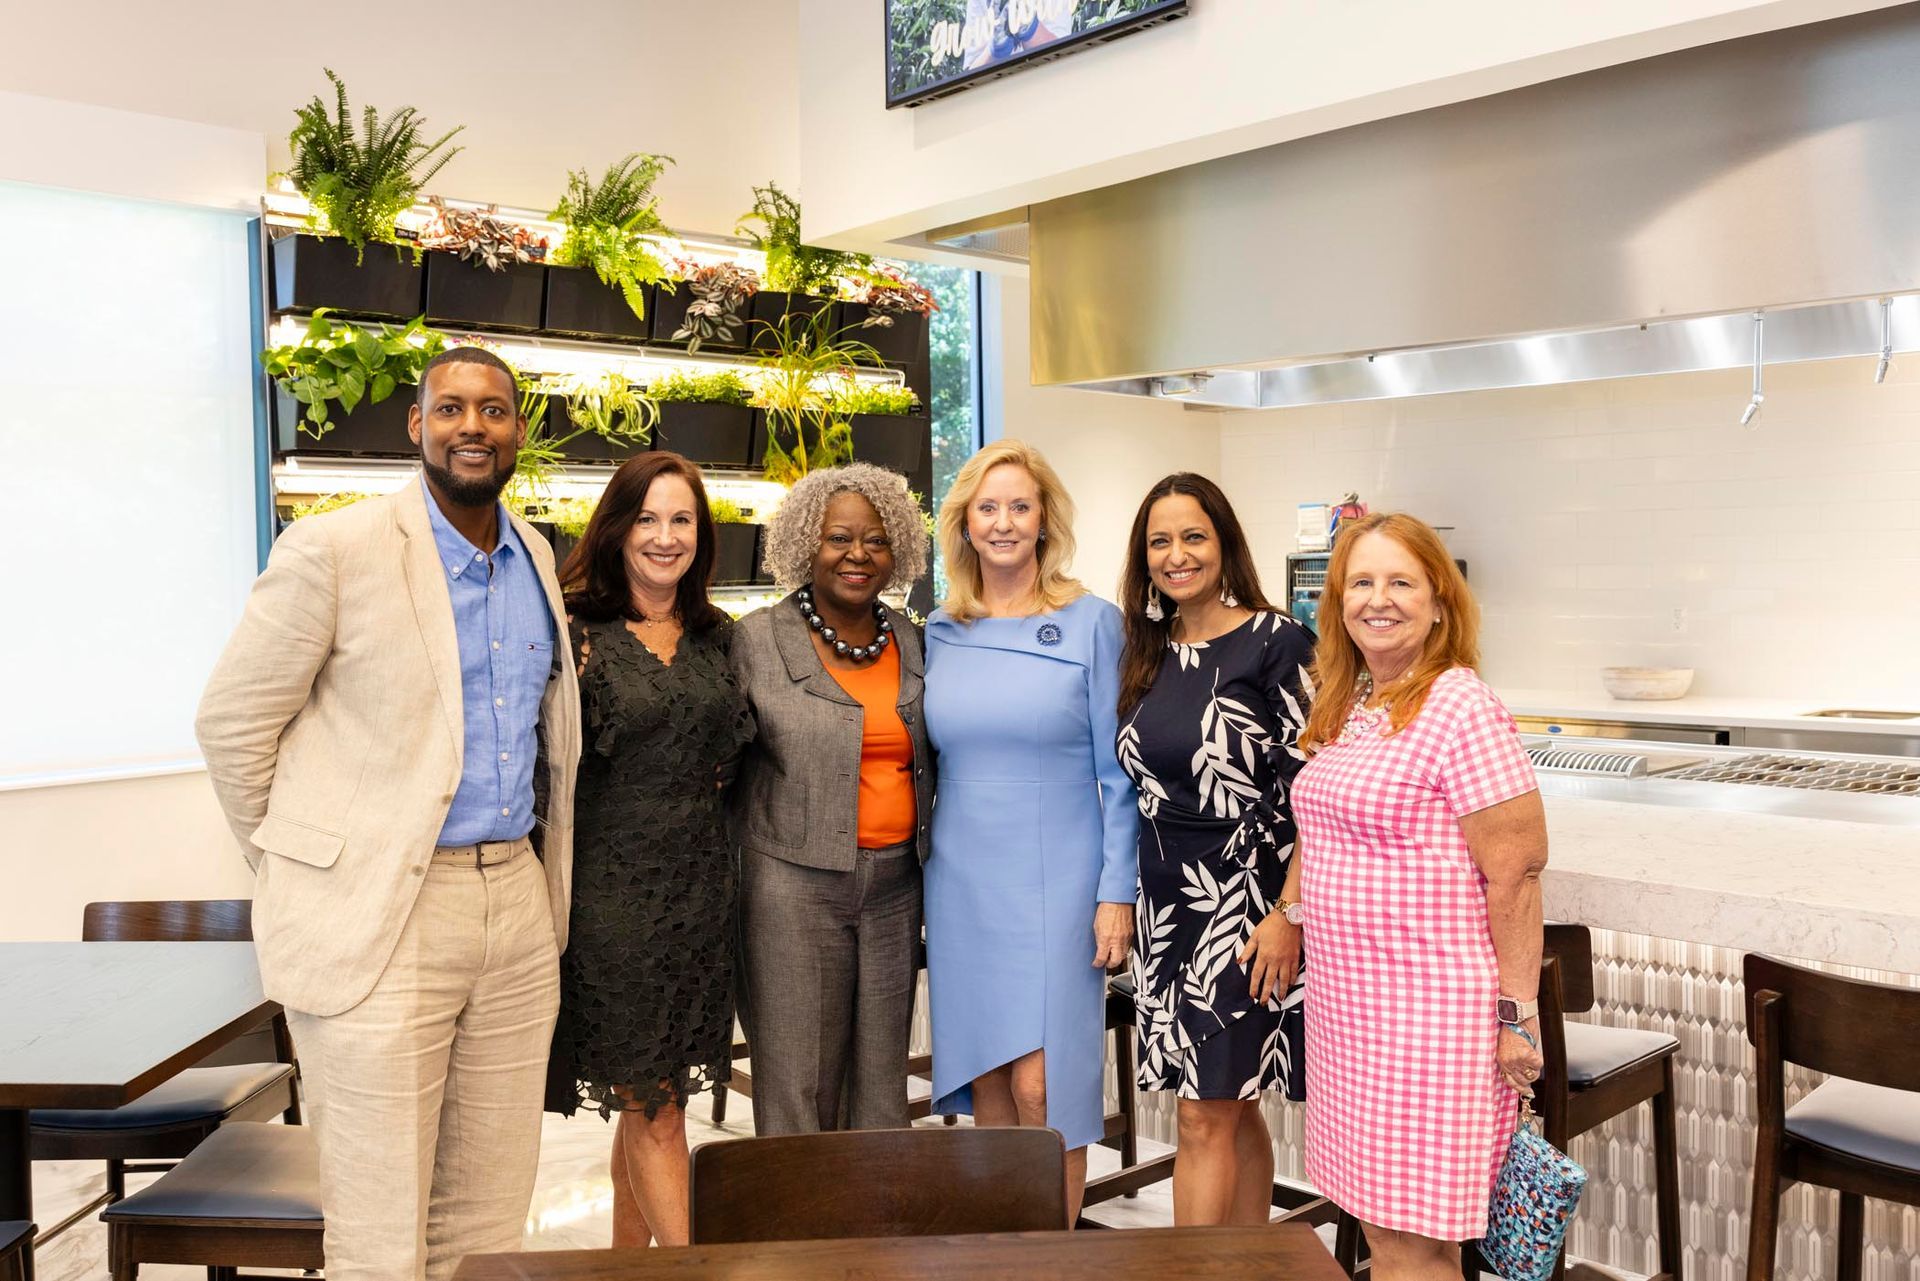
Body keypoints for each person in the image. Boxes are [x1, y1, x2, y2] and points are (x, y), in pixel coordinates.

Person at [195, 346, 579, 1281]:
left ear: (518, 429)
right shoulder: (333, 549)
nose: (472, 427)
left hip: (515, 905)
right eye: (450, 408)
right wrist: (310, 864)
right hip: (384, 915)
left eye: (493, 409)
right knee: (378, 1234)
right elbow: (233, 724)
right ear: (417, 425)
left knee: (488, 1225)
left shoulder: (534, 554)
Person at [1289, 512, 1549, 1281]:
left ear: (1440, 601)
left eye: (1401, 581)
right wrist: (1293, 914)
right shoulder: (1356, 703)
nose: (1379, 598)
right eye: (1361, 582)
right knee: (1383, 1228)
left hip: (1427, 1018)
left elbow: (1518, 869)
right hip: (1349, 1013)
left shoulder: (1460, 704)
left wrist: (1517, 1016)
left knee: (1415, 1244)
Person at [923, 439, 1138, 1224]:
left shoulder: (1092, 623)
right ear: (965, 523)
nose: (1004, 522)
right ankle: (1002, 1253)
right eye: (988, 507)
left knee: (1044, 1085)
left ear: (1045, 519)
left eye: (1020, 505)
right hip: (962, 881)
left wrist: (1117, 893)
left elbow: (1120, 776)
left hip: (1060, 879)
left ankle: (1053, 1253)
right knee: (988, 1075)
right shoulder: (940, 628)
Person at [544, 452, 753, 1248]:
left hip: (701, 905)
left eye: (682, 519)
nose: (666, 536)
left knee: (651, 1104)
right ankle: (700, 1268)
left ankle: (627, 1266)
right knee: (659, 1112)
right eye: (648, 519)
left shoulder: (717, 635)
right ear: (617, 527)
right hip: (613, 909)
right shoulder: (576, 634)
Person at [1114, 473, 1315, 1227]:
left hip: (1246, 909)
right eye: (1160, 541)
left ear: (1224, 542)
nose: (1177, 555)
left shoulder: (1277, 641)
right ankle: (1249, 1262)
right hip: (1166, 912)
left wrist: (1289, 914)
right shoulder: (1144, 649)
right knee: (1229, 1105)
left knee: (1202, 1117)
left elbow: (1313, 790)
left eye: (1193, 536)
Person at [729, 462, 934, 1134]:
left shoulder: (911, 638)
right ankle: (796, 1206)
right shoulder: (758, 639)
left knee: (881, 1084)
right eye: (838, 538)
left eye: (876, 540)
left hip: (896, 888)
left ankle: (876, 1204)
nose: (858, 555)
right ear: (804, 545)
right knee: (798, 1081)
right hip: (791, 887)